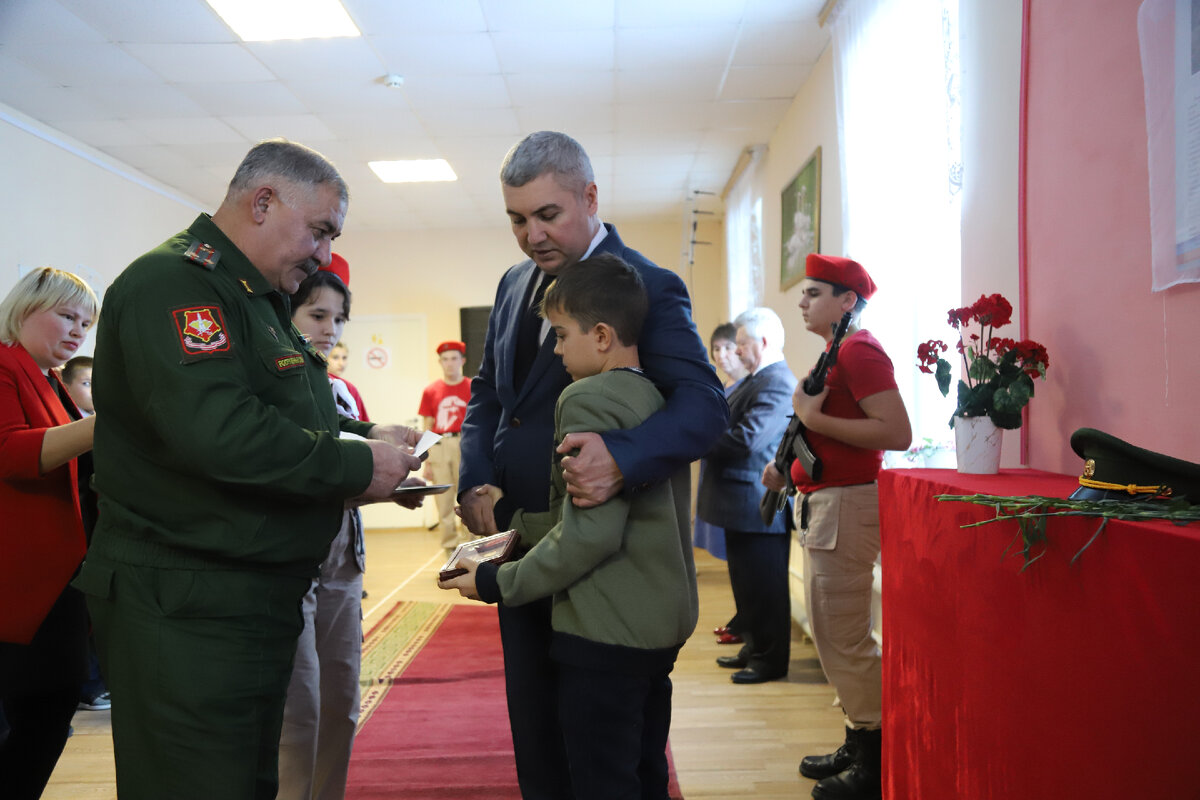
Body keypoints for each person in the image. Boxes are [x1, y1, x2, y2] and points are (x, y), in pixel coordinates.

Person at [74, 138, 422, 800]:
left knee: (246, 780)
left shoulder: (251, 294)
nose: (324, 254)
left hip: (243, 596)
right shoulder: (173, 283)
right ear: (262, 202)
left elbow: (284, 409)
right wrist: (353, 465)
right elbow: (221, 433)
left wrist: (365, 439)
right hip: (186, 604)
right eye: (319, 231)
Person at [457, 130, 727, 799]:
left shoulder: (646, 286)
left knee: (608, 750)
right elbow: (491, 395)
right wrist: (474, 476)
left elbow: (703, 408)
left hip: (607, 558)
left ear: (590, 197)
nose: (532, 236)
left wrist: (621, 457)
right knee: (541, 732)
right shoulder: (515, 282)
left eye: (548, 214)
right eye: (517, 219)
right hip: (523, 534)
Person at [442, 253, 697, 799]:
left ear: (601, 335)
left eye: (560, 336)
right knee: (645, 770)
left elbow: (591, 535)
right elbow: (596, 510)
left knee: (601, 779)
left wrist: (494, 583)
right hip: (658, 625)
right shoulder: (656, 396)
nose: (555, 352)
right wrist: (515, 525)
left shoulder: (587, 397)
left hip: (605, 629)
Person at [762, 254, 911, 800]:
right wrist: (789, 467)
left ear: (847, 301)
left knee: (845, 636)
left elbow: (896, 432)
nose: (802, 302)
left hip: (847, 505)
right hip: (827, 502)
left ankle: (874, 762)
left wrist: (813, 417)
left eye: (814, 293)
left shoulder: (859, 349)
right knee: (831, 634)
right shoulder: (836, 349)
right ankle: (857, 737)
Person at [277, 262, 423, 800]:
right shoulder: (271, 384)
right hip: (294, 557)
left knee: (340, 700)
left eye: (339, 319)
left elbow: (351, 446)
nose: (330, 330)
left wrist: (388, 468)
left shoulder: (335, 387)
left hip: (343, 555)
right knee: (302, 707)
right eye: (317, 315)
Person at [0, 267, 99, 798]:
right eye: (66, 315)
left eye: (85, 323)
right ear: (23, 309)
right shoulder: (4, 363)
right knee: (37, 715)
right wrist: (105, 422)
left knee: (50, 712)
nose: (77, 331)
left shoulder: (46, 378)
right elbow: (13, 453)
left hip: (59, 574)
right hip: (24, 578)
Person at [699, 307, 798, 685]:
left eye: (742, 344)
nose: (737, 352)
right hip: (741, 501)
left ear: (765, 342)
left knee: (766, 588)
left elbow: (745, 439)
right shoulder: (758, 379)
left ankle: (770, 660)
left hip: (757, 502)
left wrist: (697, 437)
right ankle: (754, 647)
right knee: (748, 585)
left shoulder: (775, 381)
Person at [695, 323, 749, 645]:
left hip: (736, 481)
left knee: (742, 561)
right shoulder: (724, 385)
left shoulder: (750, 386)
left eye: (727, 348)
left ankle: (745, 619)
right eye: (716, 350)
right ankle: (741, 616)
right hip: (716, 473)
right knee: (734, 560)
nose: (722, 355)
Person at [418, 340, 472, 556]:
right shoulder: (431, 391)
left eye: (454, 359)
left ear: (462, 361)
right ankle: (450, 548)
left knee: (468, 495)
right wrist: (426, 460)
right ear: (440, 362)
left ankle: (469, 546)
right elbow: (427, 427)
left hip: (466, 442)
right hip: (440, 444)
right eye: (445, 359)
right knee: (444, 499)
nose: (450, 364)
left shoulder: (472, 386)